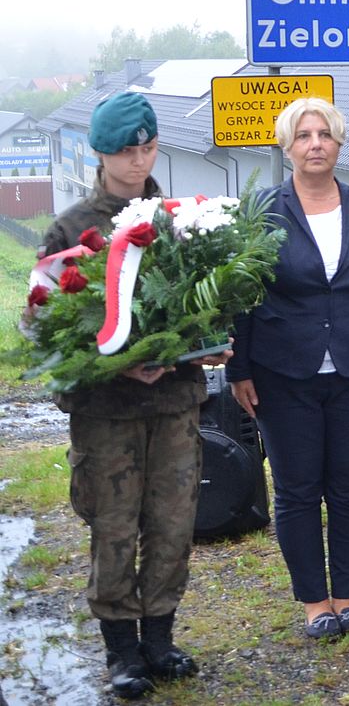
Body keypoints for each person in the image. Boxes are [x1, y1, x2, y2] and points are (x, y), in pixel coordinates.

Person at [40, 93, 221, 698]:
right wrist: (117, 367)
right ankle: (121, 649)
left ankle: (160, 639)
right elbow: (48, 333)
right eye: (125, 151)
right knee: (114, 527)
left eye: (147, 148)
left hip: (174, 404)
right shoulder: (71, 229)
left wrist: (211, 344)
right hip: (107, 413)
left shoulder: (180, 220)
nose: (138, 161)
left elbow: (206, 301)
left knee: (173, 524)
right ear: (100, 152)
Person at [228, 98, 349, 638]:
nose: (315, 145)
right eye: (303, 136)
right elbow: (243, 295)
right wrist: (239, 370)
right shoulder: (261, 209)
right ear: (287, 145)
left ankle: (347, 596)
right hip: (282, 372)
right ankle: (314, 602)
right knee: (298, 489)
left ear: (340, 142)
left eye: (324, 134)